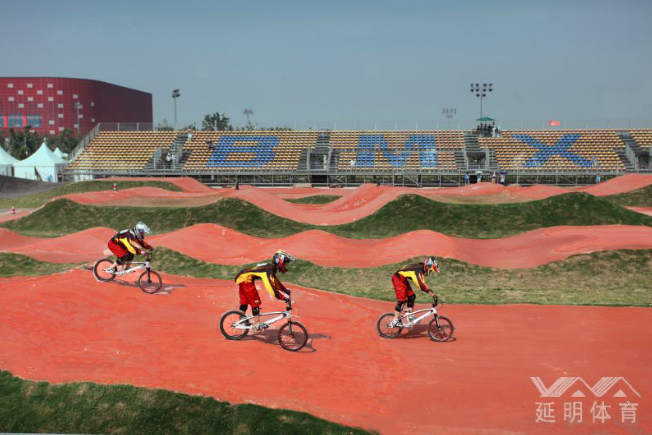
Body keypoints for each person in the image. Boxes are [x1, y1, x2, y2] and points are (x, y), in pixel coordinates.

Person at [235, 250, 294, 331]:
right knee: (255, 301)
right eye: (285, 263)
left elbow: (275, 281)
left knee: (245, 302)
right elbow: (270, 287)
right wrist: (282, 297)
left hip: (243, 277)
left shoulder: (270, 267)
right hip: (246, 281)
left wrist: (285, 290)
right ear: (279, 261)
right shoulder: (269, 269)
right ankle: (257, 324)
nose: (285, 265)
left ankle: (240, 322)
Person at [389, 257, 440, 328]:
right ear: (428, 267)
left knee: (412, 296)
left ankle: (410, 316)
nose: (430, 272)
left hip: (403, 279)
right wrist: (432, 294)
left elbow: (406, 267)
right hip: (398, 280)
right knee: (402, 300)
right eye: (431, 271)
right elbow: (421, 285)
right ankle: (395, 321)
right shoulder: (418, 271)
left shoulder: (421, 267)